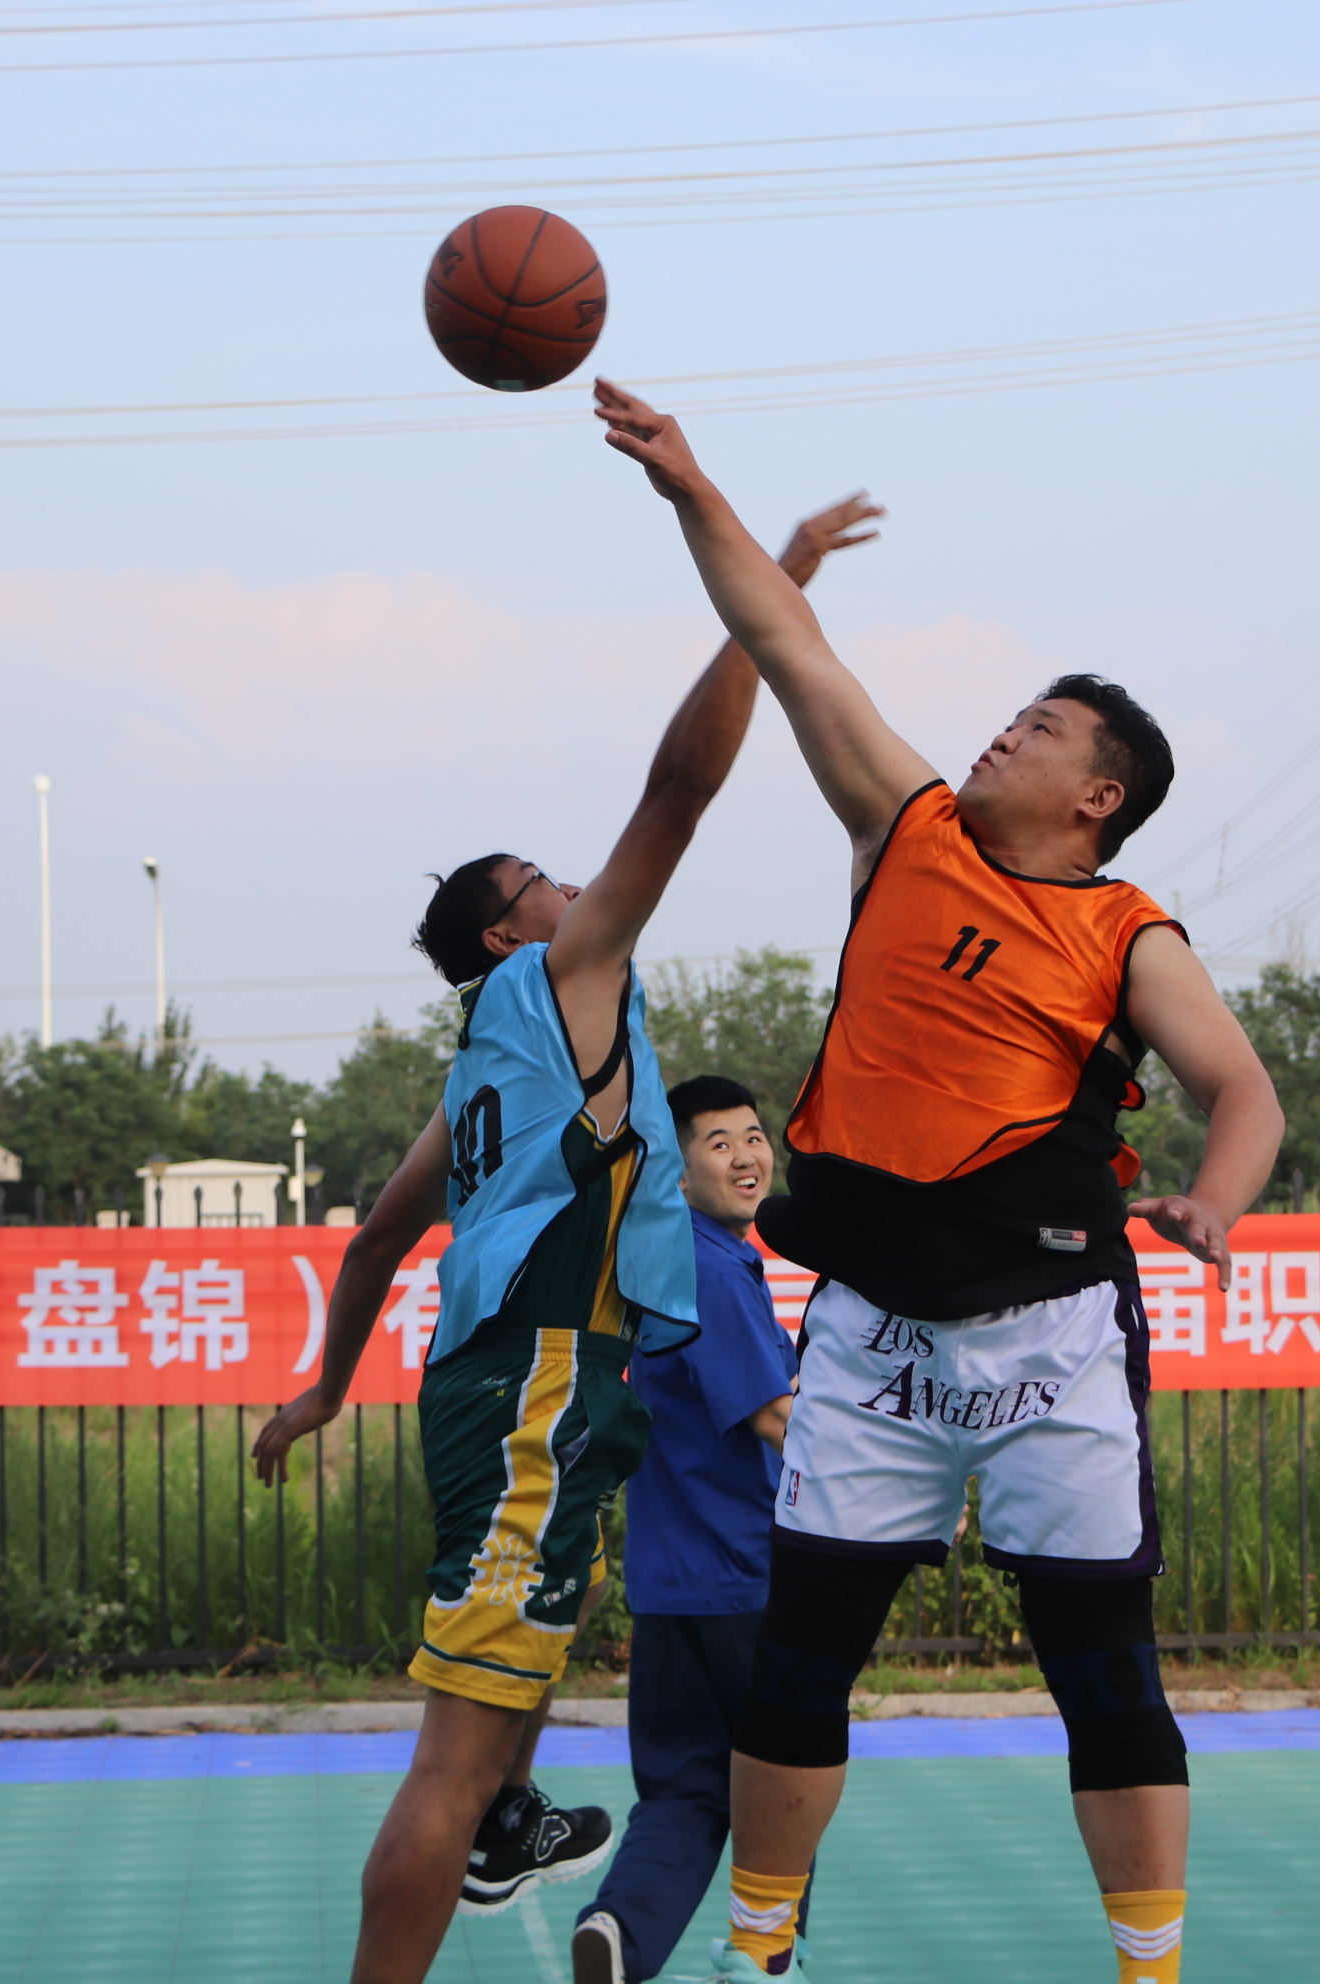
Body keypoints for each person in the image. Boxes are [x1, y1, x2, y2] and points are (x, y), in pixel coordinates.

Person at [595, 379, 1284, 1984]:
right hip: (876, 1338)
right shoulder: (908, 828)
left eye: (1040, 729)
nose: (1003, 730)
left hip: (1052, 1339)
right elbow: (785, 641)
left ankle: (1151, 1968)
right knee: (799, 1665)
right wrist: (694, 485)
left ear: (1098, 797)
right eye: (1010, 714)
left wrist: (1219, 1202)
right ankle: (758, 1950)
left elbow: (1243, 1090)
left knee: (1104, 1675)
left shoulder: (1126, 933)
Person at [252, 494, 882, 1984]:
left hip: (534, 1381)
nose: (570, 884)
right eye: (539, 878)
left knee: (542, 1632)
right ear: (508, 932)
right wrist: (777, 587)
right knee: (449, 1754)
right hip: (538, 1377)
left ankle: (507, 1813)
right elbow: (681, 789)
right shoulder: (565, 979)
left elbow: (373, 1241)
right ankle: (482, 1811)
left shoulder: (485, 1065)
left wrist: (327, 1385)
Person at [572, 1076, 802, 1984]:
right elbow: (776, 1416)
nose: (747, 1156)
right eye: (720, 1142)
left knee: (683, 1788)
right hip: (744, 1577)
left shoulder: (671, 1262)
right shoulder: (710, 1267)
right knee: (784, 1782)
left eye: (754, 1136)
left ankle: (619, 1932)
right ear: (677, 1168)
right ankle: (769, 1960)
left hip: (669, 1583)